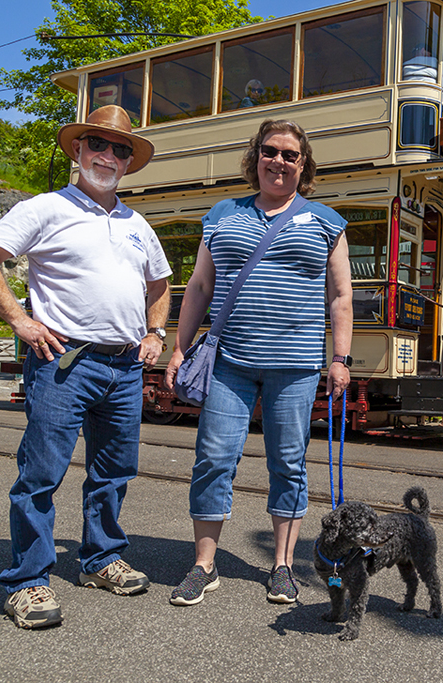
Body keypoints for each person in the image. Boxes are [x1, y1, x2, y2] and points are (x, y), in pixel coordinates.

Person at [0, 104, 172, 629]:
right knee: (41, 474)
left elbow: (161, 284)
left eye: (120, 149)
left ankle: (100, 560)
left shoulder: (135, 221)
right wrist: (20, 319)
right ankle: (27, 582)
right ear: (78, 151)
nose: (109, 155)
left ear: (128, 162)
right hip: (64, 362)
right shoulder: (46, 208)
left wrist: (156, 331)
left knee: (113, 473)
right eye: (98, 145)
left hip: (123, 368)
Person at [163, 119, 353, 607]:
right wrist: (180, 348)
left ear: (303, 165)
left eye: (291, 155)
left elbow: (340, 297)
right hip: (230, 362)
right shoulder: (223, 214)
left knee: (288, 464)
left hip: (296, 366)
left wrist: (340, 358)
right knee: (213, 460)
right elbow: (200, 287)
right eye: (271, 151)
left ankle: (283, 566)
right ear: (256, 157)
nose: (279, 162)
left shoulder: (327, 222)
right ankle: (205, 566)